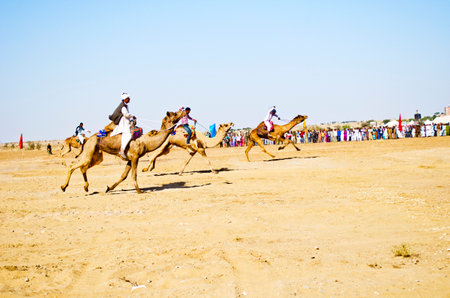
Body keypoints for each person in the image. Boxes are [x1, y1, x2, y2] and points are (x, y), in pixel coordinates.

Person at [110, 92, 135, 160]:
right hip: (123, 122)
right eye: (128, 98)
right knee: (128, 134)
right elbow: (126, 114)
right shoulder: (123, 106)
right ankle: (122, 150)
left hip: (125, 121)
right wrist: (133, 116)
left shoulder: (124, 105)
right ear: (125, 99)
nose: (129, 99)